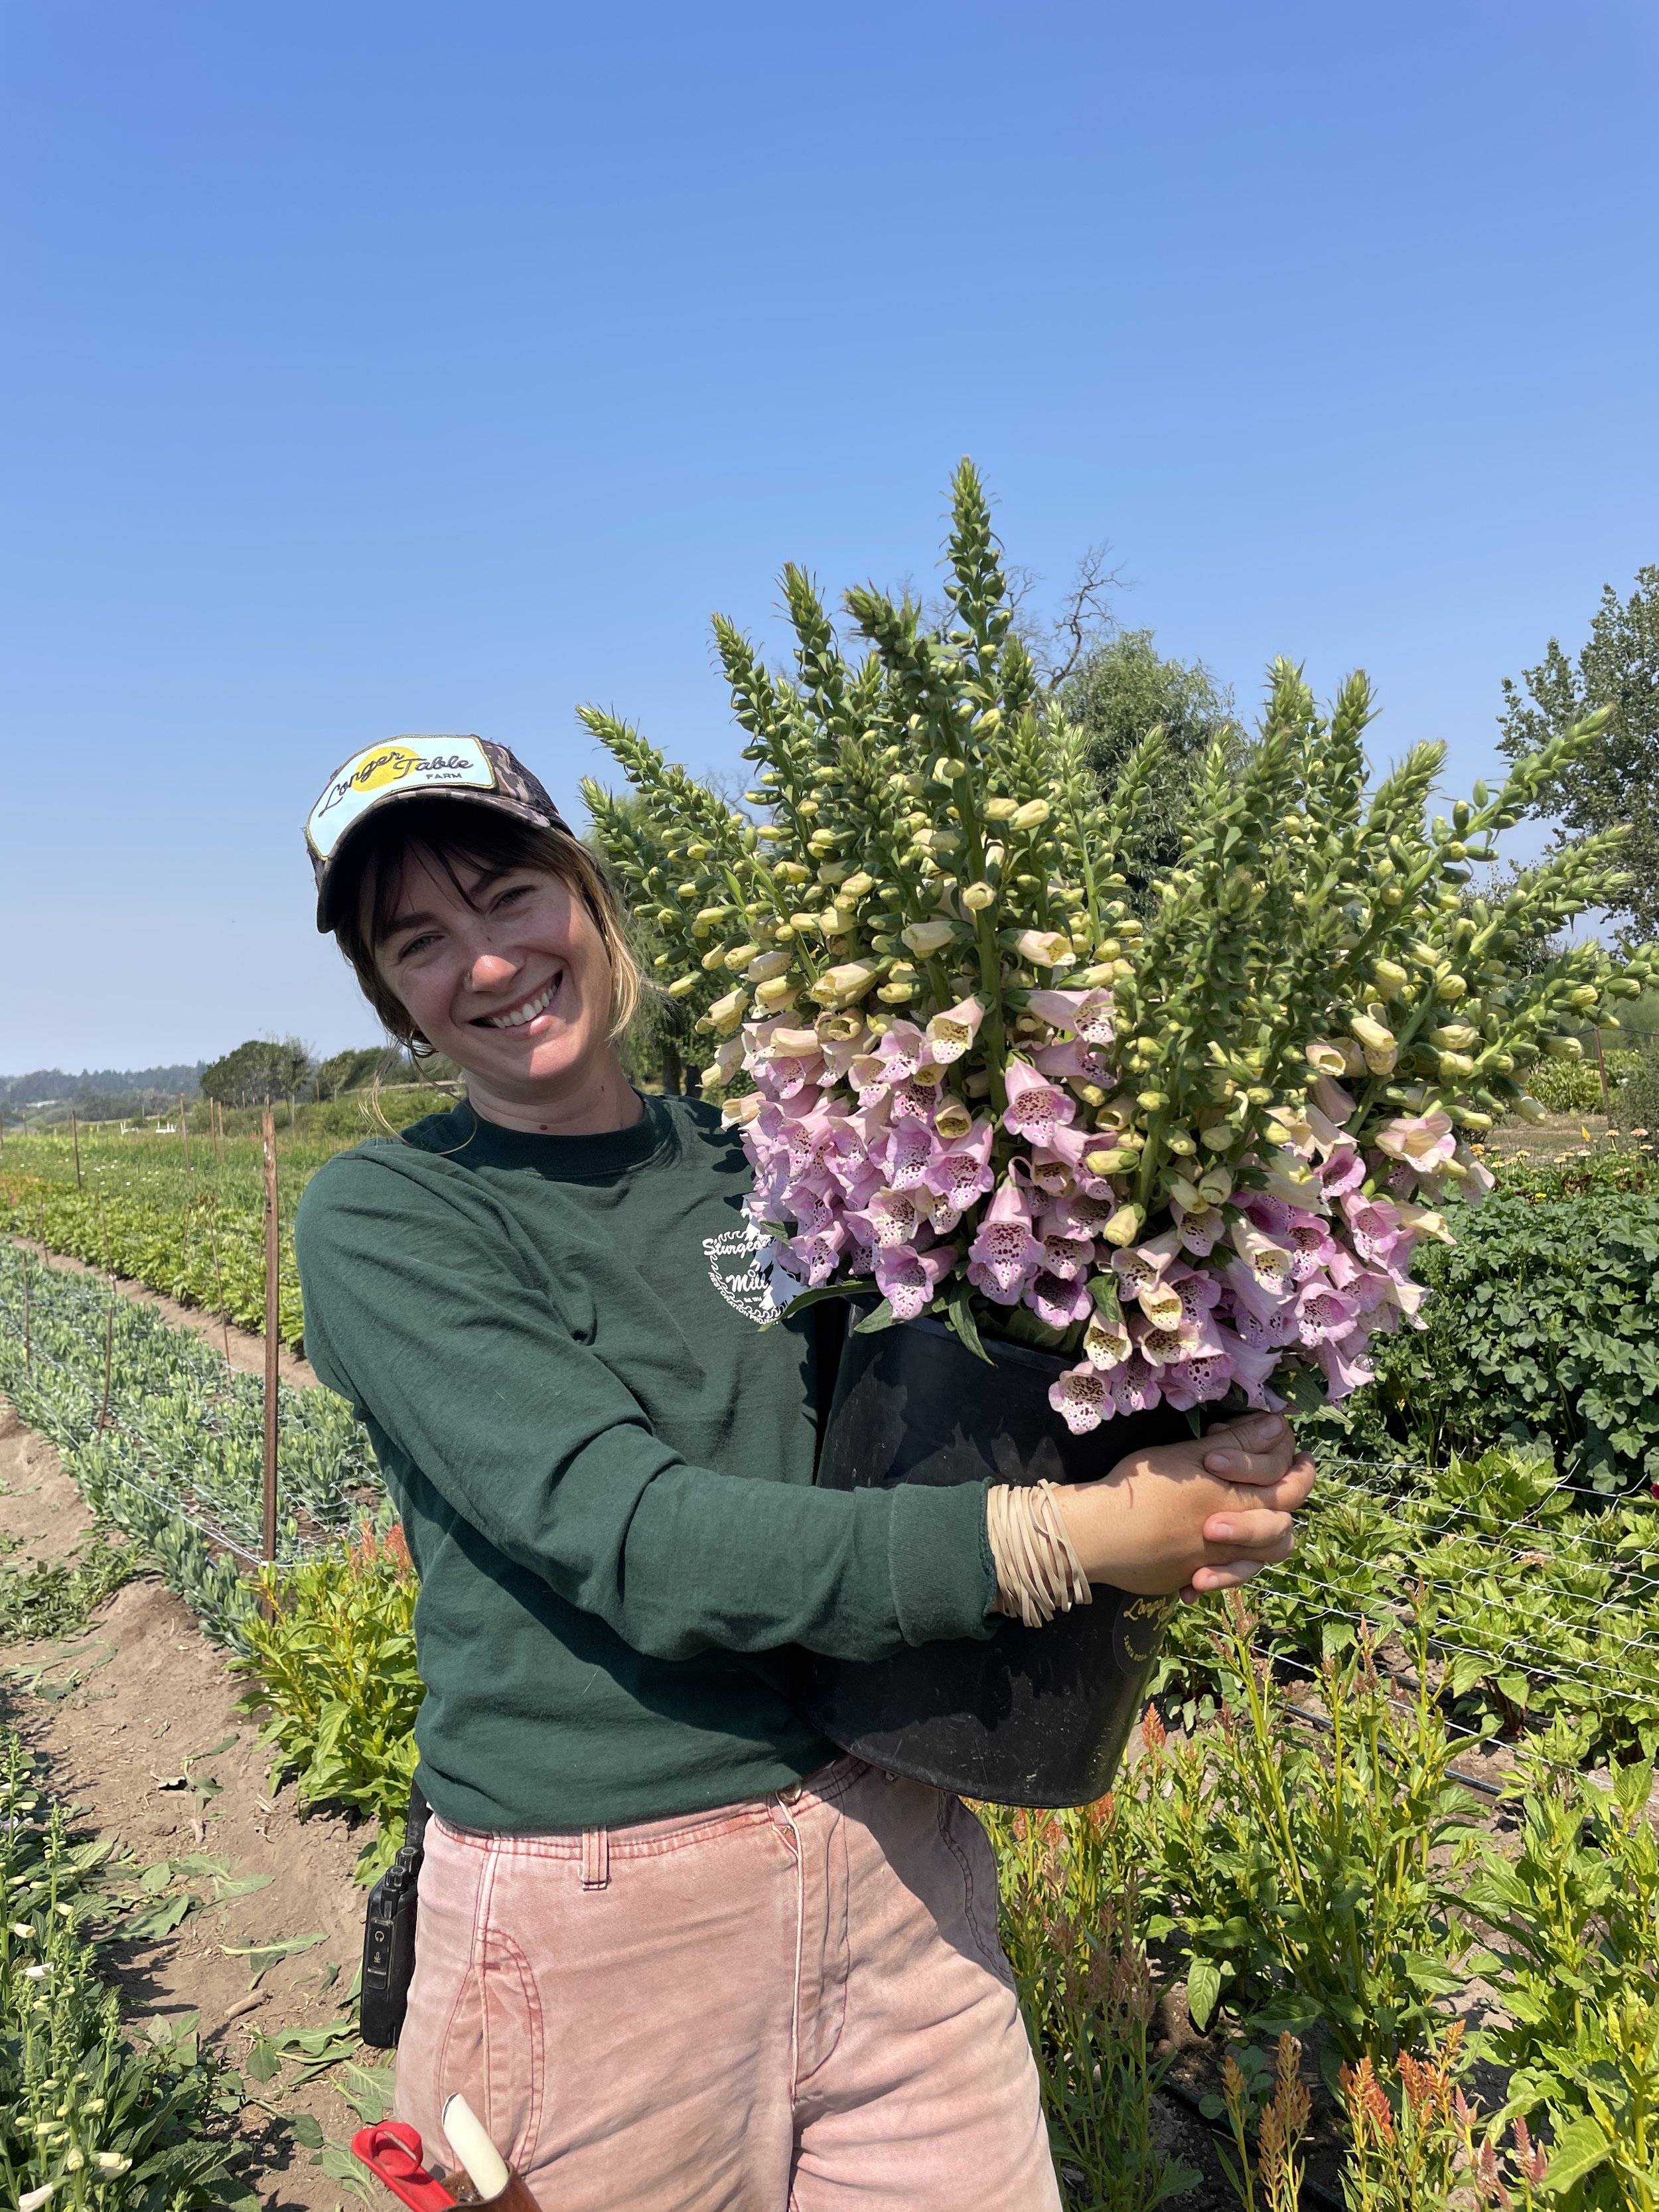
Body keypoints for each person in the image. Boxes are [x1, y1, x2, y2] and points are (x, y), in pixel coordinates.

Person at [295, 736, 1318, 2212]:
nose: (487, 959)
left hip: (892, 1851)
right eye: (419, 942)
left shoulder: (774, 1153)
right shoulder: (390, 1214)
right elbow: (639, 1536)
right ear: (393, 1001)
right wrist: (1077, 1537)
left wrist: (1203, 1451)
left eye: (508, 894)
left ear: (583, 893)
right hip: (595, 1918)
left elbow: (967, 1405)